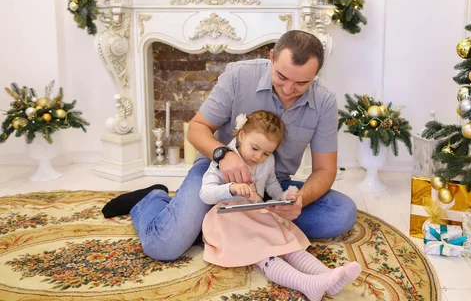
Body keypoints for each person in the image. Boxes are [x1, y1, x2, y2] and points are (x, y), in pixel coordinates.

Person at [102, 30, 357, 262]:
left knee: (341, 213)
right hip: (217, 173)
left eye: (302, 83)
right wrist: (223, 154)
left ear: (316, 74)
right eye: (281, 76)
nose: (289, 89)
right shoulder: (239, 76)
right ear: (271, 57)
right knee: (163, 246)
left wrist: (299, 200)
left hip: (269, 186)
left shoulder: (324, 102)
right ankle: (152, 199)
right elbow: (197, 128)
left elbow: (325, 170)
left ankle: (217, 225)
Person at [200, 110, 360, 301]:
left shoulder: (267, 161)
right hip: (228, 219)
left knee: (288, 245)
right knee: (265, 252)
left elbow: (272, 185)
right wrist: (231, 188)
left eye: (266, 153)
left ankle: (329, 277)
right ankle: (306, 284)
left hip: (256, 213)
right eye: (255, 148)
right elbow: (205, 194)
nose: (259, 157)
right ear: (241, 135)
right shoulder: (223, 161)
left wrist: (285, 196)